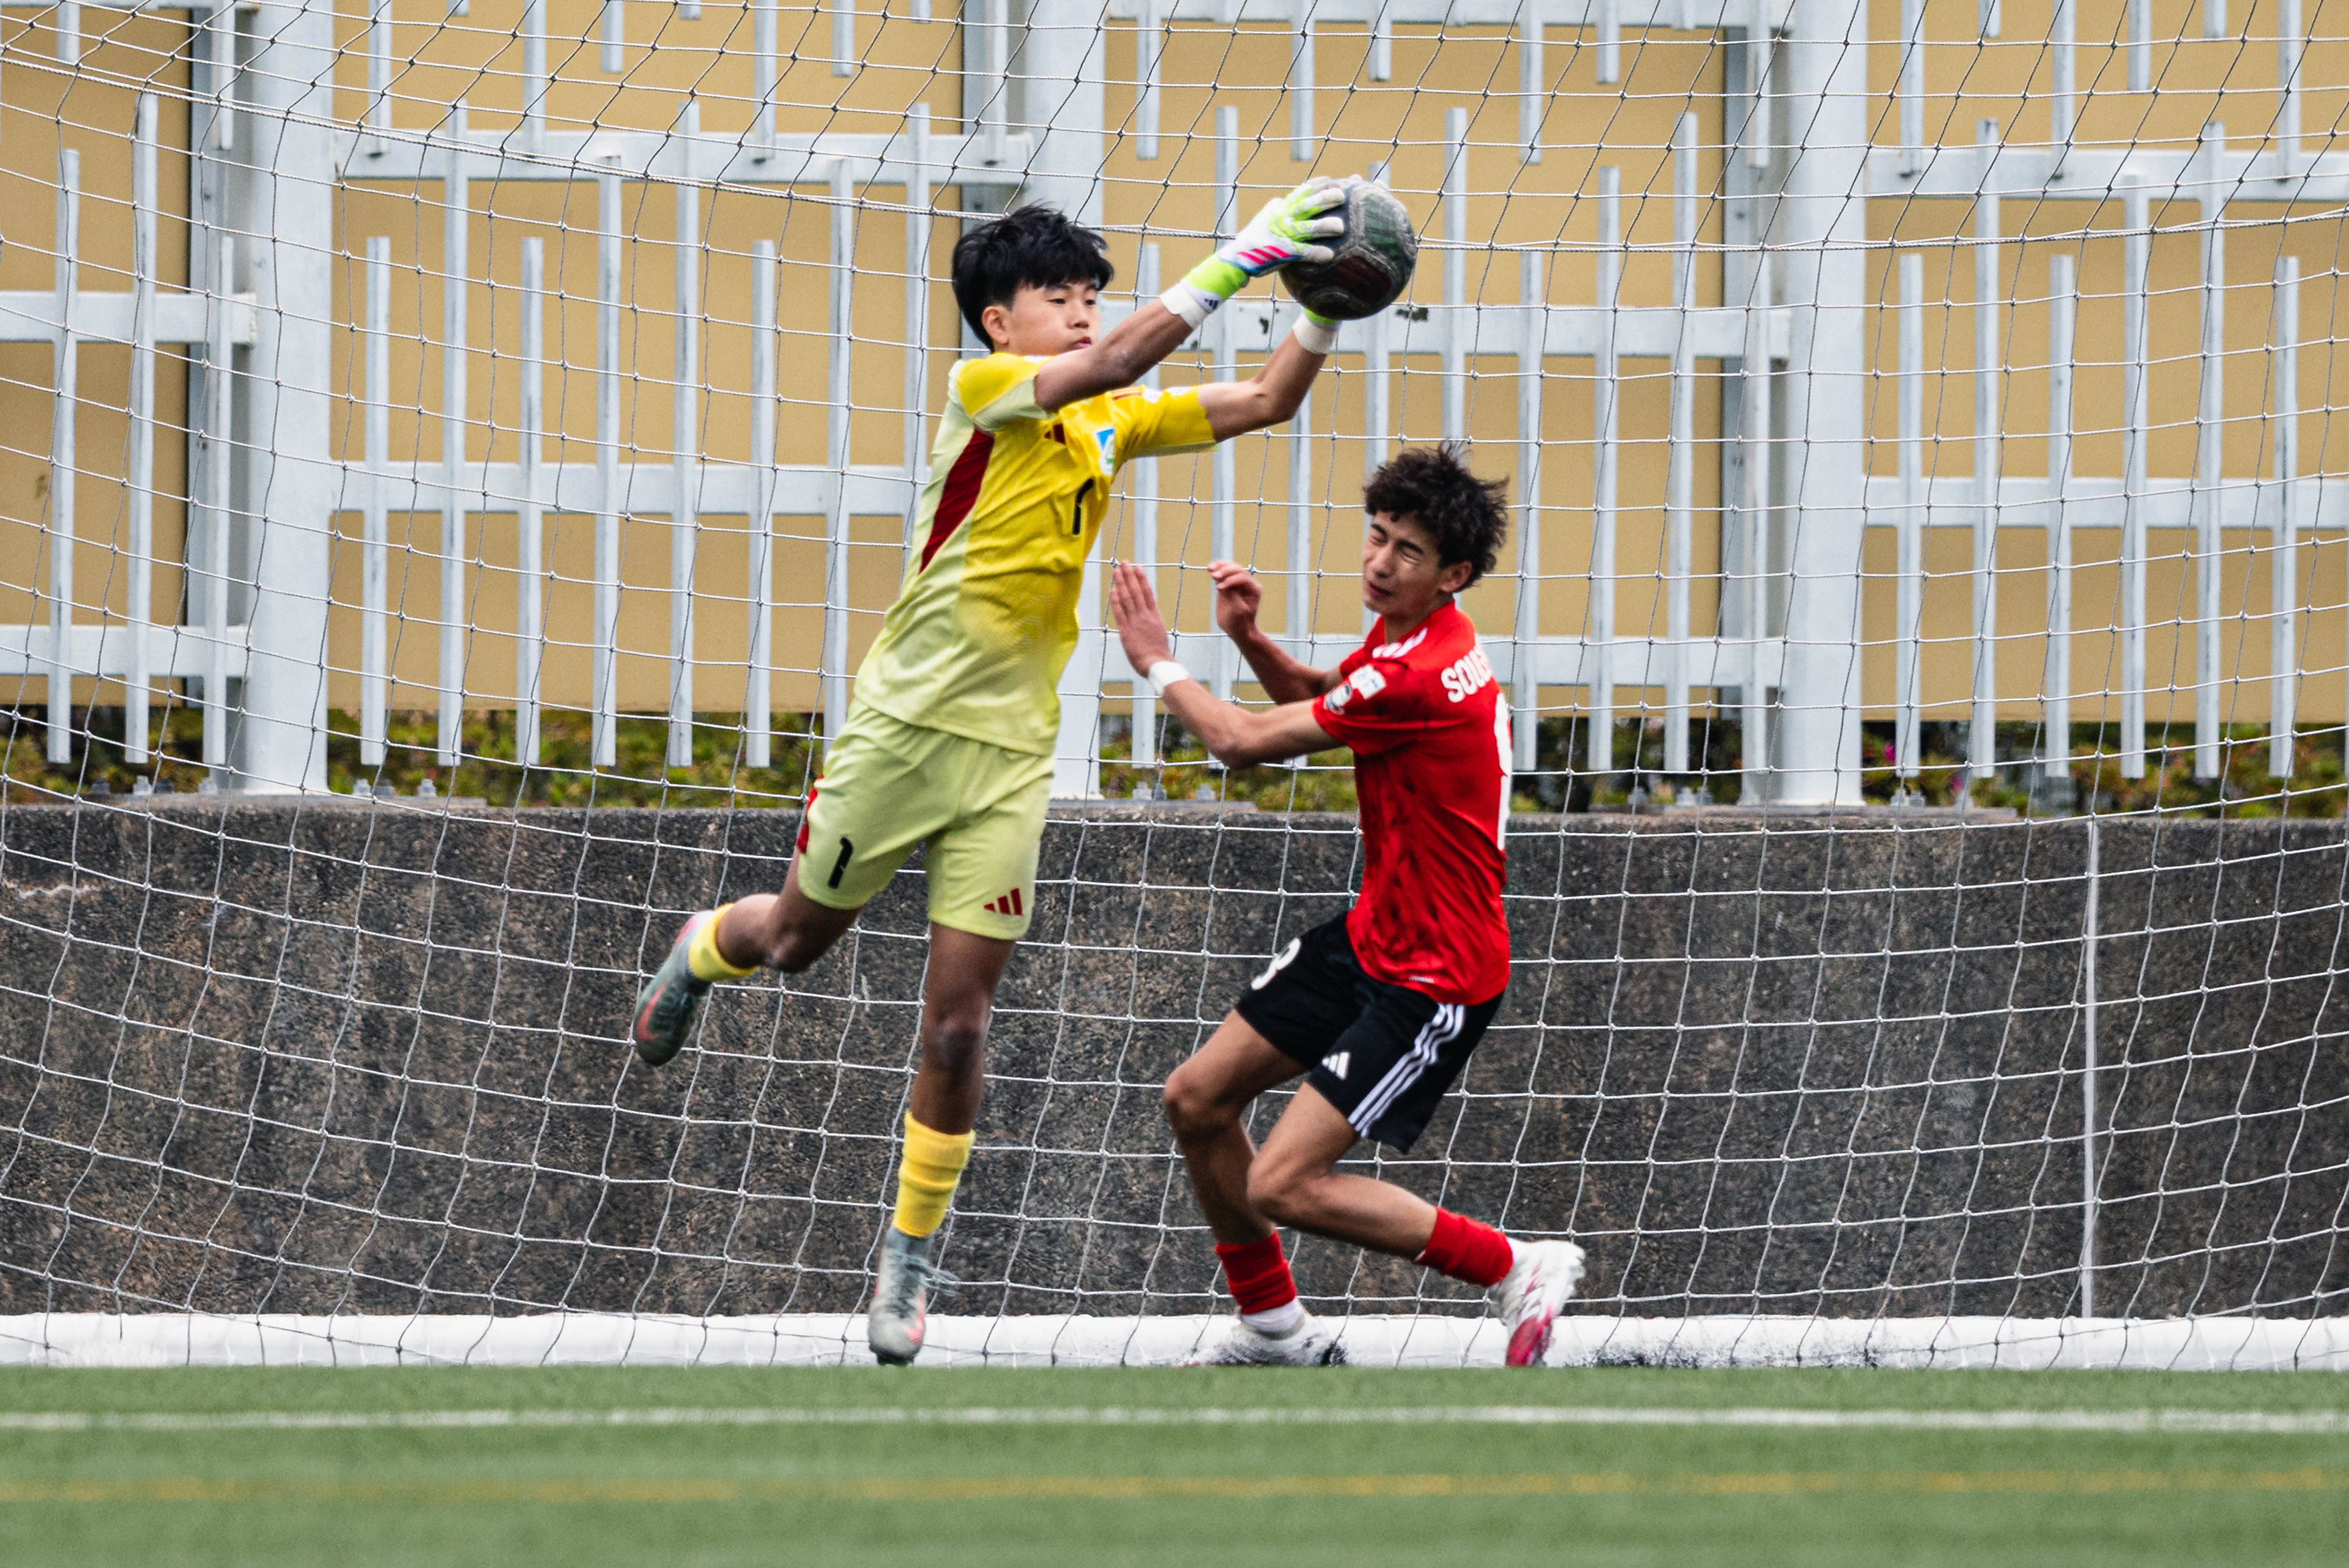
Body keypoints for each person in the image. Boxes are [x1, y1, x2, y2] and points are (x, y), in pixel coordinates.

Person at [629, 187, 1352, 1365]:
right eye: (1054, 300)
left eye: (1088, 297)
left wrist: (1324, 305)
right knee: (795, 945)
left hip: (1011, 762)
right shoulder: (987, 400)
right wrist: (1236, 262)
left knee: (959, 1029)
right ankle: (707, 944)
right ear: (996, 326)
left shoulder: (1110, 422)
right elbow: (1113, 360)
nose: (1080, 317)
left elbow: (1268, 398)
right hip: (902, 734)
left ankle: (908, 1261)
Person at [1108, 444, 1586, 1367]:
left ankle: (1516, 1264)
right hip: (1374, 938)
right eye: (1376, 536)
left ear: (1453, 576)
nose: (1379, 561)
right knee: (1198, 1101)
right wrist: (1250, 641)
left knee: (1284, 1180)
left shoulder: (1419, 670)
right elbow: (1327, 702)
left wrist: (1158, 664)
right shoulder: (1411, 641)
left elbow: (1244, 742)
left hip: (1436, 971)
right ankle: (1274, 1330)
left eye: (1407, 551)